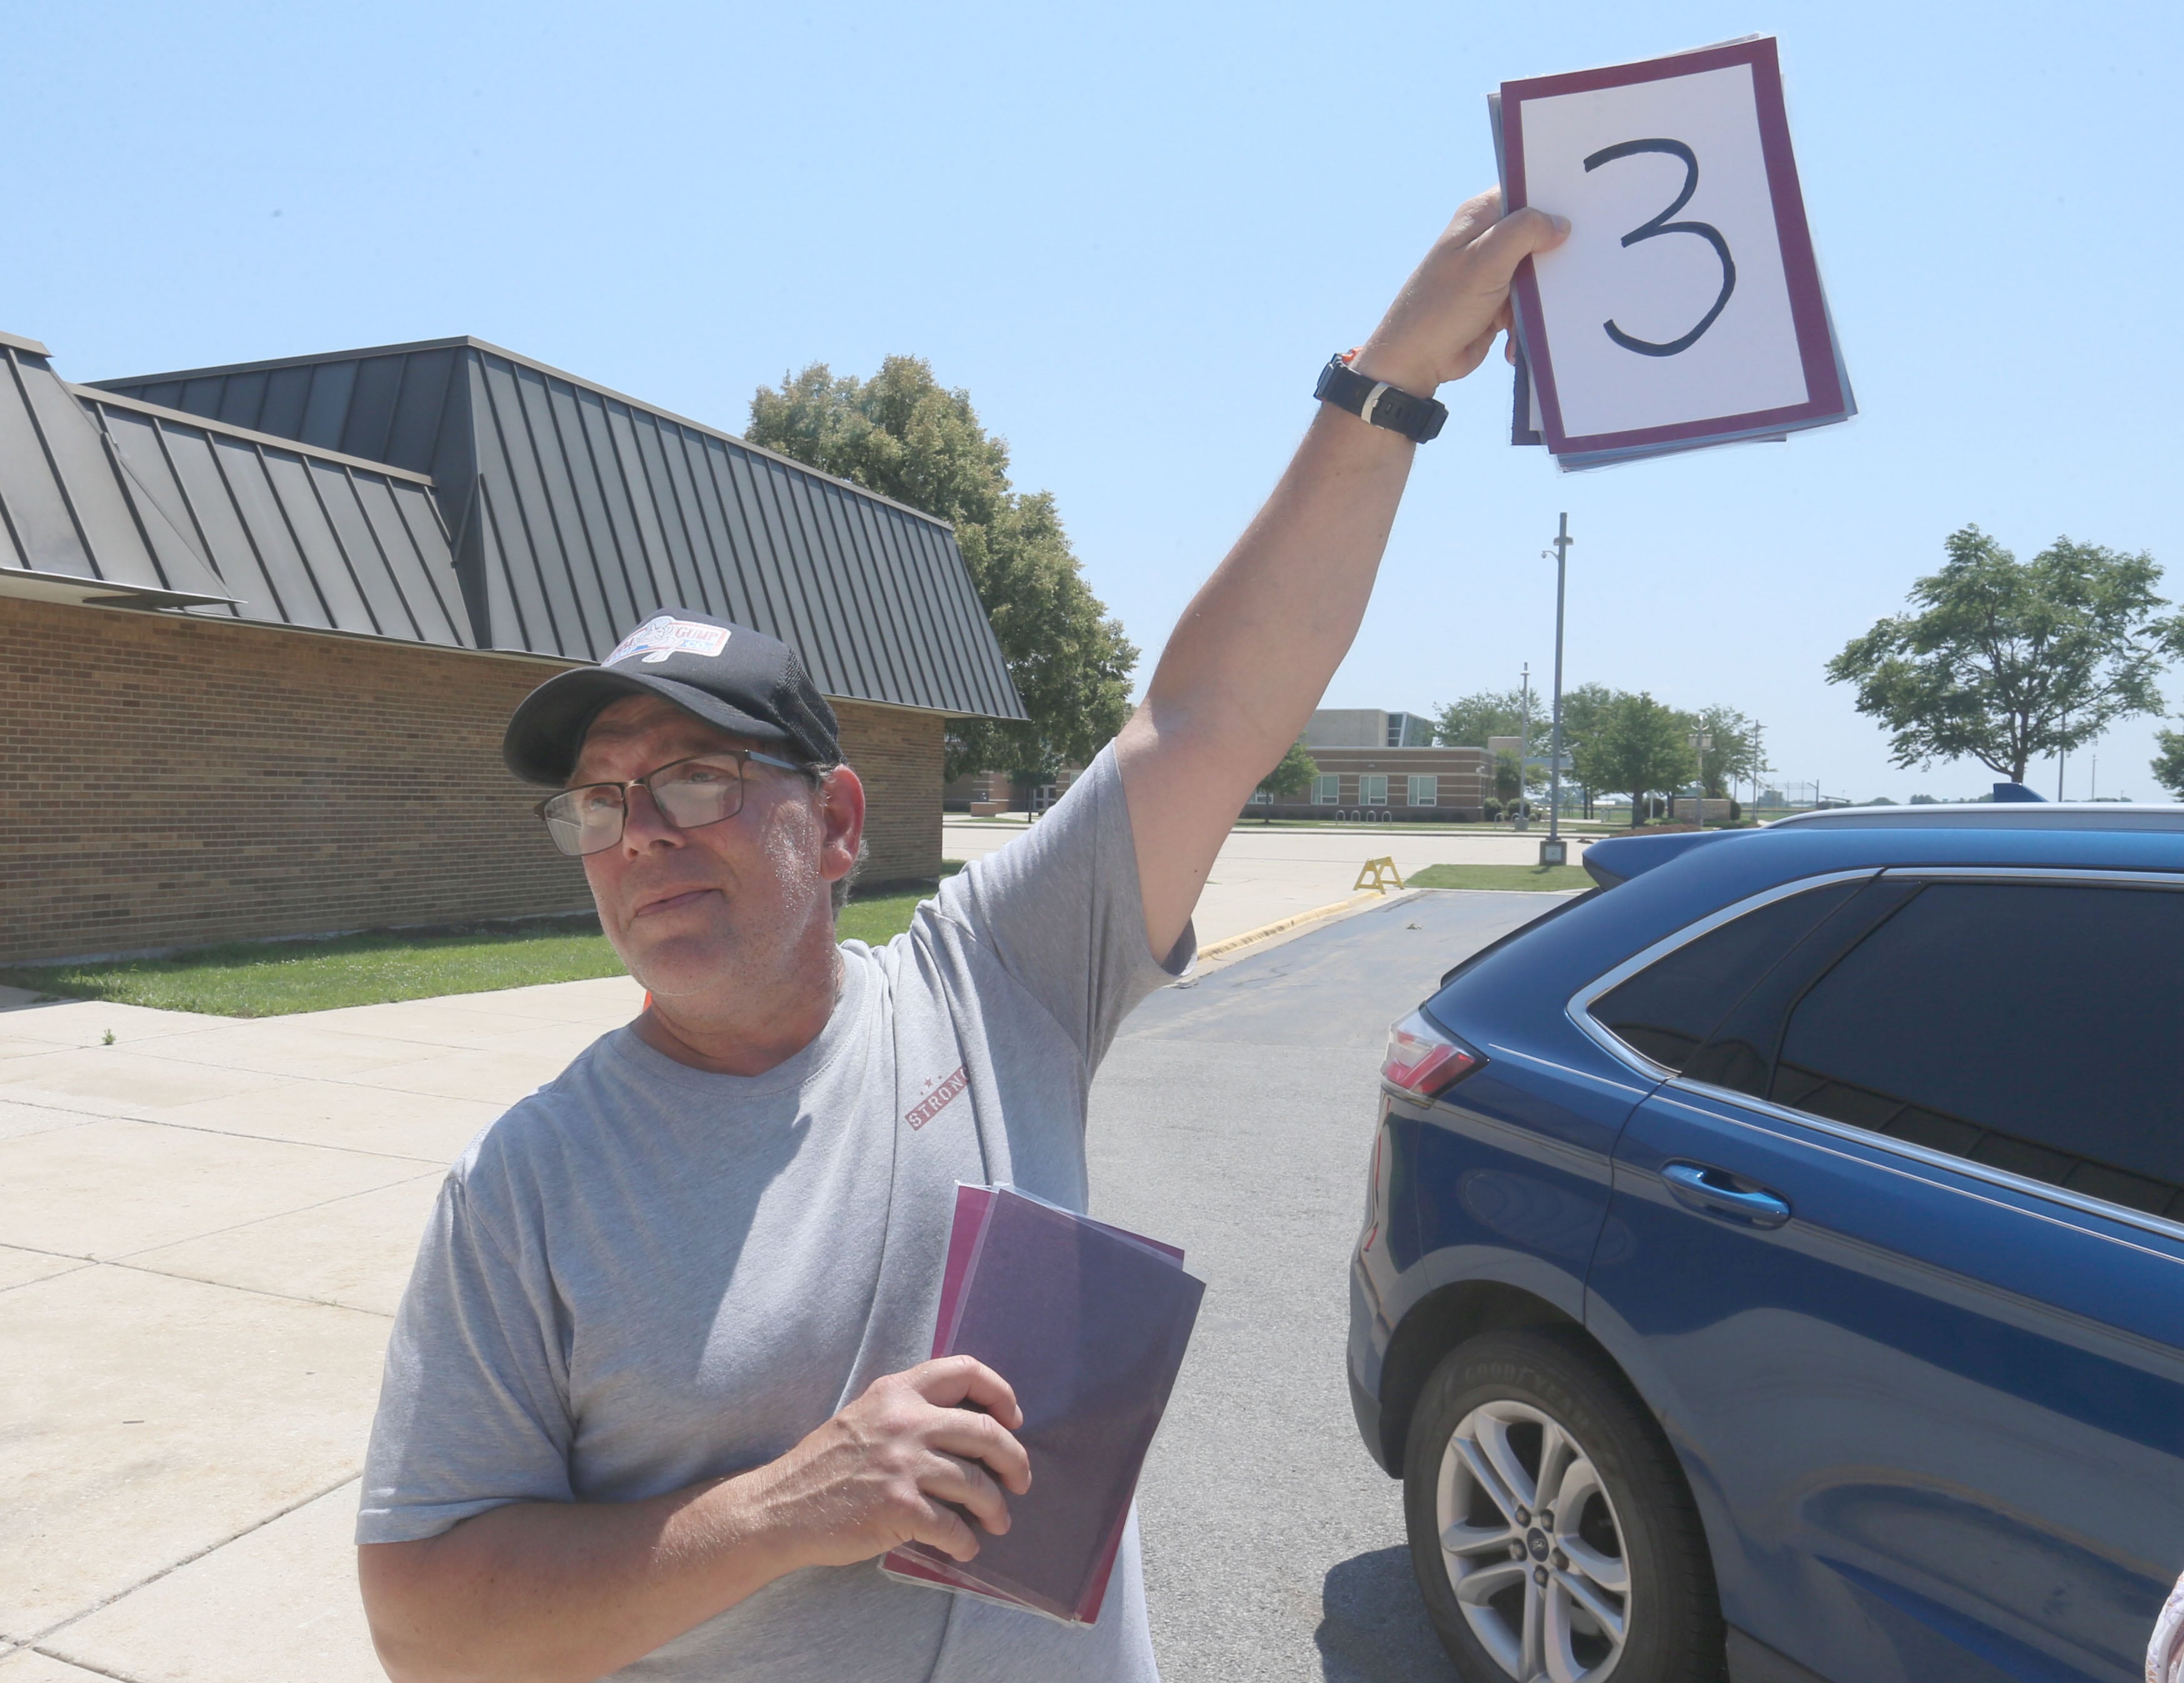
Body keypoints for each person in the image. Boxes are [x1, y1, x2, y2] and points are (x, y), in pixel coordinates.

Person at [354, 189, 1569, 1683]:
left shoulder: (993, 982)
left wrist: (1389, 380)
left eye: (693, 777)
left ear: (840, 823)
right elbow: (423, 1623)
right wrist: (783, 1507)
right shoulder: (524, 1186)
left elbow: (1207, 713)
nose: (642, 831)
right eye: (598, 803)